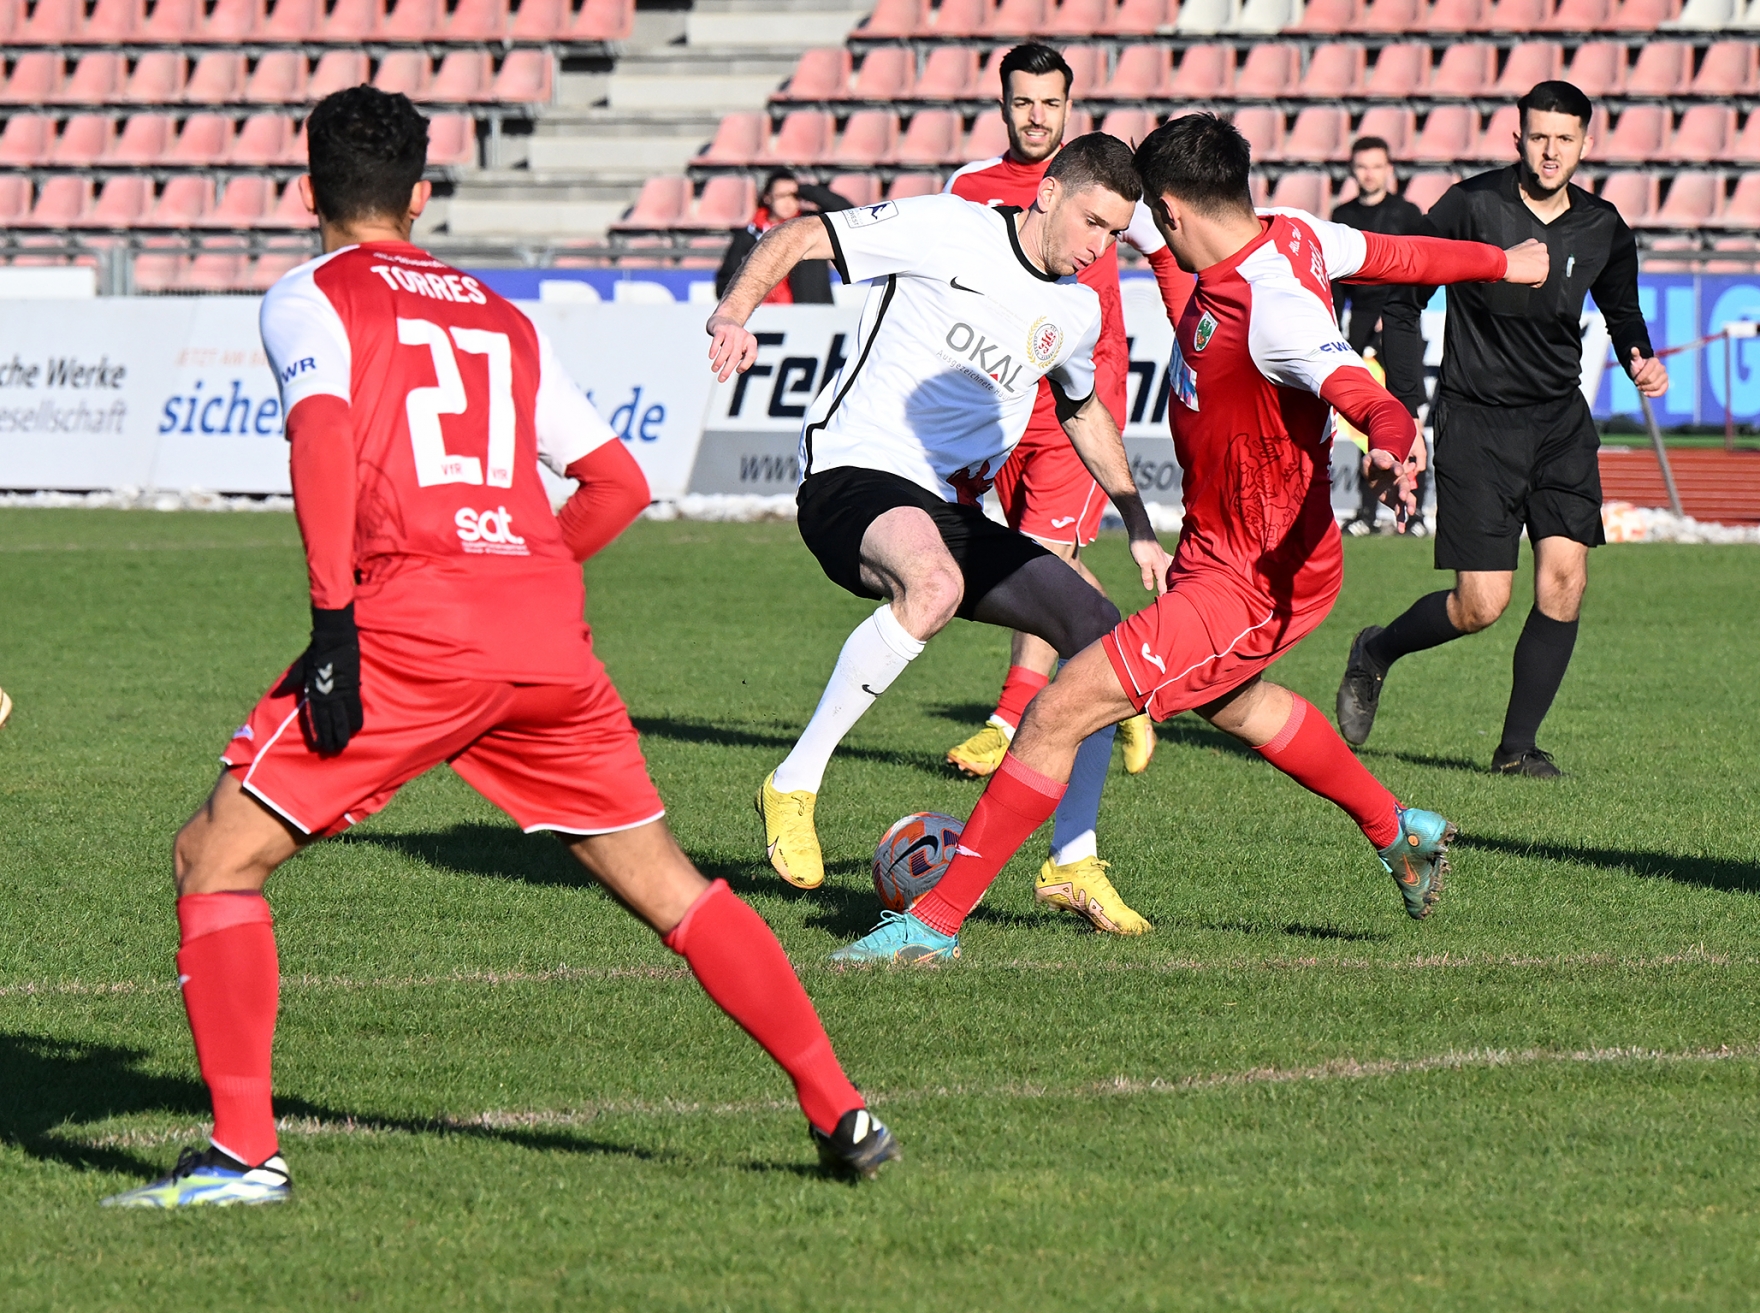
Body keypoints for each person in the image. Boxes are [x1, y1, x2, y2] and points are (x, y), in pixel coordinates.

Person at [102, 87, 897, 1209]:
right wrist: (522, 571)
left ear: (306, 191)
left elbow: (321, 437)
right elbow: (617, 483)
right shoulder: (500, 315)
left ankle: (242, 1156)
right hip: (542, 632)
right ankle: (841, 1105)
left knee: (213, 860)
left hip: (412, 628)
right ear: (422, 196)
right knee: (670, 886)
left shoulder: (311, 294)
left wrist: (334, 623)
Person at [827, 113, 1548, 966]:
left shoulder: (1273, 307)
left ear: (1170, 212)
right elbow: (1398, 255)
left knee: (1059, 710)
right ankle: (1398, 829)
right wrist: (1503, 262)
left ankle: (933, 925)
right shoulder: (1296, 233)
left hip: (1256, 579)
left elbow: (1356, 386)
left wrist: (1392, 439)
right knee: (1235, 702)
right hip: (1217, 553)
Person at [710, 134, 1173, 937]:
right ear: (1049, 194)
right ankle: (794, 781)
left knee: (1104, 638)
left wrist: (1136, 519)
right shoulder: (947, 226)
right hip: (854, 473)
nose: (1101, 247)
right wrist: (734, 311)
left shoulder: (1076, 309)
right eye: (1093, 222)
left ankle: (1072, 859)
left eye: (1115, 234)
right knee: (934, 585)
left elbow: (1082, 410)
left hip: (953, 513)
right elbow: (803, 233)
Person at [1335, 80, 1669, 778]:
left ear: (1585, 144)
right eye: (1539, 136)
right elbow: (1403, 300)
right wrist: (1405, 406)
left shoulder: (1603, 225)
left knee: (1566, 580)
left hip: (1560, 423)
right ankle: (1376, 650)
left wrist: (1640, 355)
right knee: (1481, 604)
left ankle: (1517, 749)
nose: (1550, 151)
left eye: (1564, 139)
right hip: (1476, 423)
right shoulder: (1469, 206)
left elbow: (1622, 310)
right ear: (1517, 137)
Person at [941, 43, 1158, 785]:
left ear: (1069, 106)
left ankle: (1007, 721)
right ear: (1003, 105)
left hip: (1082, 397)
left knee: (1039, 557)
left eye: (1051, 103)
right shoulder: (969, 187)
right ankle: (1133, 675)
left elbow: (1170, 252)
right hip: (1001, 395)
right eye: (1023, 102)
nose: (1037, 116)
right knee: (1040, 557)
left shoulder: (1104, 184)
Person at [1330, 136, 1434, 537]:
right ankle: (1366, 512)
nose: (1369, 174)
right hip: (1357, 330)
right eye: (1362, 166)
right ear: (1353, 170)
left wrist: (1393, 313)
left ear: (1389, 169)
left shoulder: (1407, 214)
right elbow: (1335, 281)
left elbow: (1418, 270)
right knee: (1364, 423)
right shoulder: (1342, 215)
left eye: (1376, 166)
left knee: (1410, 415)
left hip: (1401, 324)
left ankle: (1416, 512)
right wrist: (1335, 329)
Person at [716, 171, 852, 305]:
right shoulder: (749, 233)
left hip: (809, 312)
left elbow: (847, 214)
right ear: (768, 197)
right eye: (781, 196)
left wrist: (807, 190)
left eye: (794, 196)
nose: (788, 202)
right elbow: (725, 280)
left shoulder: (812, 226)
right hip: (762, 314)